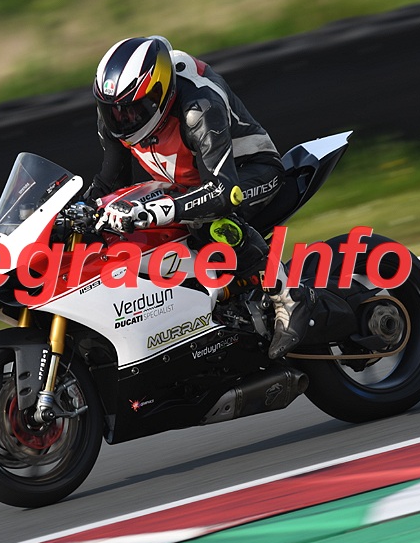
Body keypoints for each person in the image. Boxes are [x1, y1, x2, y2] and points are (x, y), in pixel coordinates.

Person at [85, 36, 314, 359]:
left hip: (248, 173)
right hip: (187, 186)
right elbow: (111, 182)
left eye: (133, 110)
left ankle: (290, 296)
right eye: (114, 111)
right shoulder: (117, 116)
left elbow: (222, 191)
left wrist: (160, 209)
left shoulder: (198, 107)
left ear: (160, 92)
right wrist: (77, 212)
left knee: (210, 221)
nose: (123, 119)